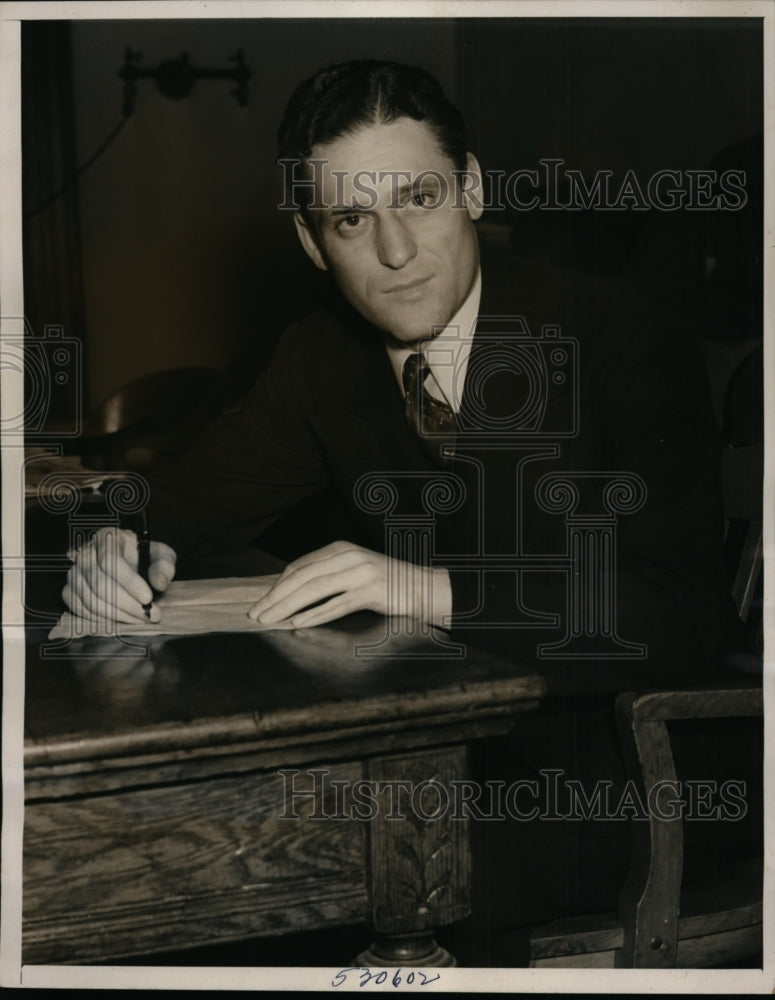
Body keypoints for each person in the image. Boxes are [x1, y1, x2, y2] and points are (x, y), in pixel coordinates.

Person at [62, 60, 732, 964]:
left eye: (418, 197)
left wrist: (422, 587)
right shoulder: (319, 359)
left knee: (276, 883)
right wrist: (117, 540)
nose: (394, 252)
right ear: (311, 241)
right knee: (166, 850)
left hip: (610, 776)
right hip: (418, 753)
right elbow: (172, 498)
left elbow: (680, 618)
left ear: (472, 189)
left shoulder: (619, 337)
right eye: (350, 218)